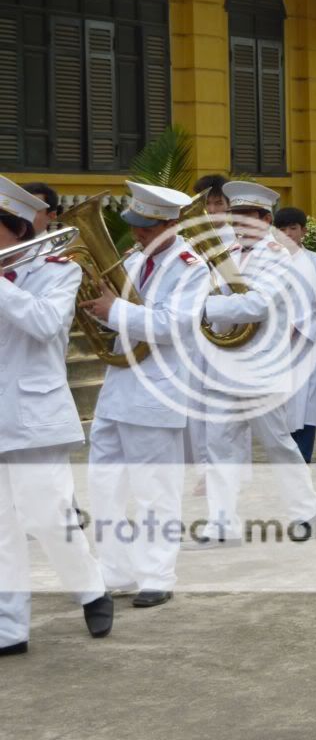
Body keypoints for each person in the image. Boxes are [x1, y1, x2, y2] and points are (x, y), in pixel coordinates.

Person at [0, 176, 113, 654]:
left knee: (48, 516)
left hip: (33, 413)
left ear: (13, 226)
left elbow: (46, 324)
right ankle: (10, 629)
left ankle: (91, 587)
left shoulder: (57, 270)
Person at [80, 182, 206, 608]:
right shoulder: (134, 261)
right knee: (104, 486)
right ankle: (115, 570)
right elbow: (123, 317)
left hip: (157, 392)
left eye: (146, 228)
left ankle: (156, 574)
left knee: (156, 491)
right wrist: (100, 314)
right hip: (117, 391)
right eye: (136, 226)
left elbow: (175, 325)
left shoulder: (191, 266)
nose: (137, 234)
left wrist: (114, 310)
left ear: (170, 225)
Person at [191, 181, 316, 549]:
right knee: (220, 446)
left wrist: (203, 309)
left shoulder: (278, 255)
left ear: (265, 219)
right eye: (237, 217)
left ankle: (306, 510)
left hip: (260, 366)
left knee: (277, 442)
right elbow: (208, 290)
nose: (239, 224)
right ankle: (222, 522)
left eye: (248, 217)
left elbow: (258, 304)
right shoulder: (225, 252)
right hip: (224, 363)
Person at [186, 173, 233, 497]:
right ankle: (204, 468)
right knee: (195, 403)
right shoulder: (190, 240)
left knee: (223, 409)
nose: (213, 209)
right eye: (207, 204)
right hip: (195, 332)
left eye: (219, 203)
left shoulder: (237, 240)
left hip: (228, 331)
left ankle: (223, 470)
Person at [274, 207, 316, 463]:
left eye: (293, 229)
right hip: (276, 345)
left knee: (305, 407)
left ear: (303, 231)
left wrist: (299, 326)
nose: (287, 234)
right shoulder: (268, 262)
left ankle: (303, 461)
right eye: (282, 229)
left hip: (306, 345)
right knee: (280, 409)